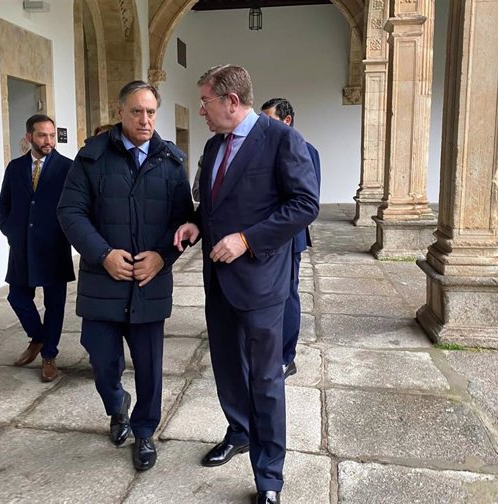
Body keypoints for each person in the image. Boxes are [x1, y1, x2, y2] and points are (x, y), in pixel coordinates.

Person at [174, 65, 319, 504]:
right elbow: (216, 205)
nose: (201, 110)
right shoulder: (215, 145)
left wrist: (247, 240)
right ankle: (238, 432)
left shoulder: (282, 140)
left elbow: (305, 204)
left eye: (205, 101)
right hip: (218, 281)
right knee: (227, 371)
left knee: (265, 380)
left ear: (231, 102)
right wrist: (195, 223)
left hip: (260, 284)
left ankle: (269, 478)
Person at [57, 81, 193, 472]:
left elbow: (183, 221)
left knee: (150, 366)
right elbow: (70, 213)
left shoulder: (170, 162)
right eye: (137, 111)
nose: (145, 120)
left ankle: (145, 430)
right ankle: (117, 406)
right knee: (102, 361)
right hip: (104, 281)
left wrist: (163, 258)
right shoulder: (92, 158)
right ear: (120, 112)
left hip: (150, 283)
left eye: (151, 112)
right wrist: (102, 254)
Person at [0, 114, 75, 383]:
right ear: (29, 137)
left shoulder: (68, 167)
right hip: (21, 246)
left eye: (52, 135)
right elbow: (2, 203)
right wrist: (10, 230)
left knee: (55, 305)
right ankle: (38, 338)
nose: (48, 141)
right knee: (17, 296)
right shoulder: (15, 167)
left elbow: (75, 207)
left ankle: (49, 356)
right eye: (42, 135)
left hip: (53, 246)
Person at [260, 98, 321, 379]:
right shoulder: (262, 149)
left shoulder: (307, 151)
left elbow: (308, 202)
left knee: (288, 295)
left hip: (288, 237)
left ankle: (286, 357)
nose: (263, 126)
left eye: (268, 119)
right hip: (263, 238)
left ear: (286, 121)